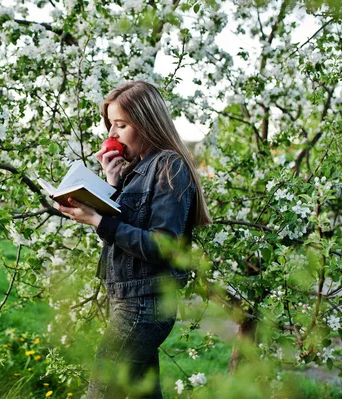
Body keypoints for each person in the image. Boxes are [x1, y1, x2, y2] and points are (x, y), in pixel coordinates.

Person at [55, 81, 211, 398]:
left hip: (144, 305)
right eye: (111, 125)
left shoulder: (170, 166)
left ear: (146, 122)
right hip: (130, 299)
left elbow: (161, 246)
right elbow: (130, 224)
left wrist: (98, 221)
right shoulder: (138, 168)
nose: (112, 135)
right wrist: (112, 184)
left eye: (121, 125)